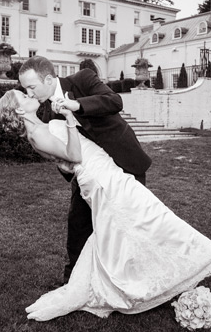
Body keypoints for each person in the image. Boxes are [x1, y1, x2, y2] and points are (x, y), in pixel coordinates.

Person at [0, 89, 211, 321]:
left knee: (134, 225)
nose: (29, 94)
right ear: (20, 110)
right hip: (101, 179)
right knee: (152, 214)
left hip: (104, 173)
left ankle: (185, 261)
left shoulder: (41, 127)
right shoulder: (37, 134)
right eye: (23, 96)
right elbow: (73, 156)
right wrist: (70, 119)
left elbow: (67, 160)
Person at [18, 56, 151, 285]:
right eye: (25, 89)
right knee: (78, 223)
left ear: (48, 79)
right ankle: (74, 282)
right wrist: (65, 167)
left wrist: (77, 105)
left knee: (132, 221)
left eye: (31, 87)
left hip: (123, 159)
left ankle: (135, 275)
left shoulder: (83, 78)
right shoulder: (46, 115)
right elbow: (63, 154)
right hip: (89, 172)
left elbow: (115, 101)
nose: (29, 94)